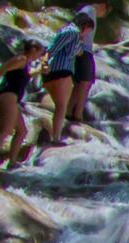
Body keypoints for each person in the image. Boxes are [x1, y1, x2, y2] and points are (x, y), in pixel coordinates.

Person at [0, 39, 45, 166]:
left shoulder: (25, 63)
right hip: (7, 96)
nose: (39, 56)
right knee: (6, 129)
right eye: (39, 53)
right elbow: (2, 68)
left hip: (12, 98)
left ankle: (12, 162)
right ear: (33, 50)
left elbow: (26, 75)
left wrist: (40, 70)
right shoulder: (21, 59)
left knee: (22, 131)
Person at [40, 9, 91, 144]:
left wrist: (44, 63)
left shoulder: (67, 32)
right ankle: (55, 138)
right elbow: (60, 50)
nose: (87, 34)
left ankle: (55, 136)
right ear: (85, 26)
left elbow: (55, 49)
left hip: (52, 72)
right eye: (88, 31)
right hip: (62, 71)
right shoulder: (73, 32)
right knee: (62, 107)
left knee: (60, 106)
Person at [65, 1, 112, 136]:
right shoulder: (90, 10)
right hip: (83, 51)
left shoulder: (86, 10)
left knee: (80, 82)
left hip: (83, 50)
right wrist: (78, 47)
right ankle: (77, 114)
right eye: (106, 12)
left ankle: (70, 112)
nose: (104, 15)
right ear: (103, 5)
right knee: (86, 82)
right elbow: (79, 28)